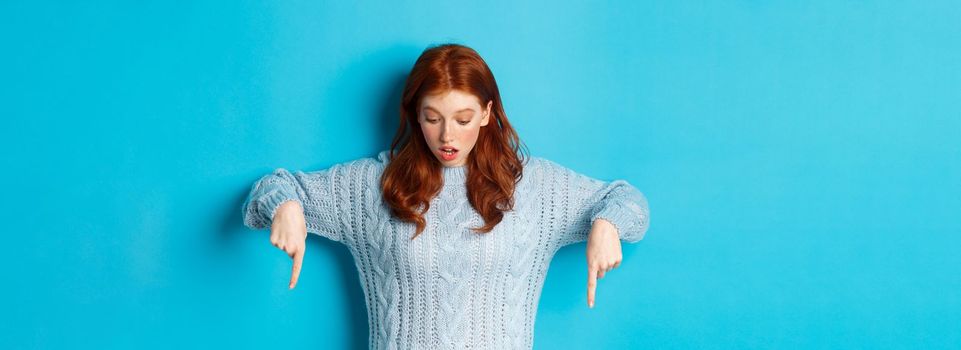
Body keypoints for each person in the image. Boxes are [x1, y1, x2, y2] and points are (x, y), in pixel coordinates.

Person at [242, 43, 650, 350]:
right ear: (415, 114)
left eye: (463, 119)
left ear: (488, 114)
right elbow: (271, 188)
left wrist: (607, 223)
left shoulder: (533, 186)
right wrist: (287, 206)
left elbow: (627, 200)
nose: (447, 136)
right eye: (432, 118)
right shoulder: (373, 184)